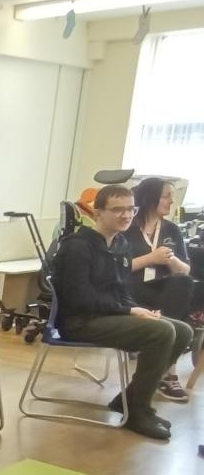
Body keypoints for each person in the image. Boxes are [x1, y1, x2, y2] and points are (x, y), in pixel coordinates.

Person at [53, 184, 194, 440]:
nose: (126, 215)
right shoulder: (77, 247)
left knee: (183, 331)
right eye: (118, 209)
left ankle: (128, 401)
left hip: (107, 315)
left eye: (131, 209)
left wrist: (138, 309)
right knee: (162, 332)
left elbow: (120, 289)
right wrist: (129, 310)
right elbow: (80, 299)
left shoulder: (119, 244)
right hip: (80, 321)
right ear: (98, 213)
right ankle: (138, 411)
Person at [120, 177, 202, 402]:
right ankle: (167, 373)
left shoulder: (172, 229)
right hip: (129, 289)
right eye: (167, 196)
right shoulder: (127, 227)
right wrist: (150, 258)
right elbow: (115, 268)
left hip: (162, 292)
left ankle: (163, 364)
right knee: (179, 306)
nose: (172, 202)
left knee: (183, 284)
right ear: (150, 198)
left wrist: (171, 260)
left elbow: (185, 270)